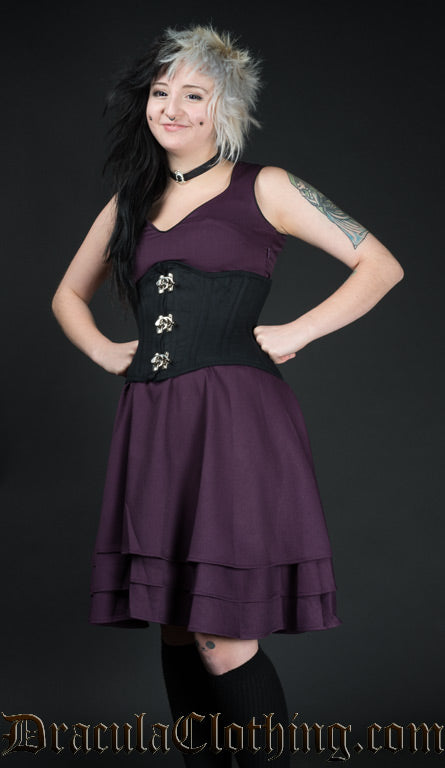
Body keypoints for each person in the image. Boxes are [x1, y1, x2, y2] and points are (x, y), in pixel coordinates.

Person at [51, 23, 404, 767]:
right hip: (155, 421)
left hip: (235, 423)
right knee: (178, 625)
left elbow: (380, 265)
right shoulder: (131, 201)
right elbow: (66, 297)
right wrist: (105, 350)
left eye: (193, 95)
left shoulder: (265, 187)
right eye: (160, 92)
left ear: (226, 108)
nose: (170, 108)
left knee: (220, 635)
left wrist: (300, 329)